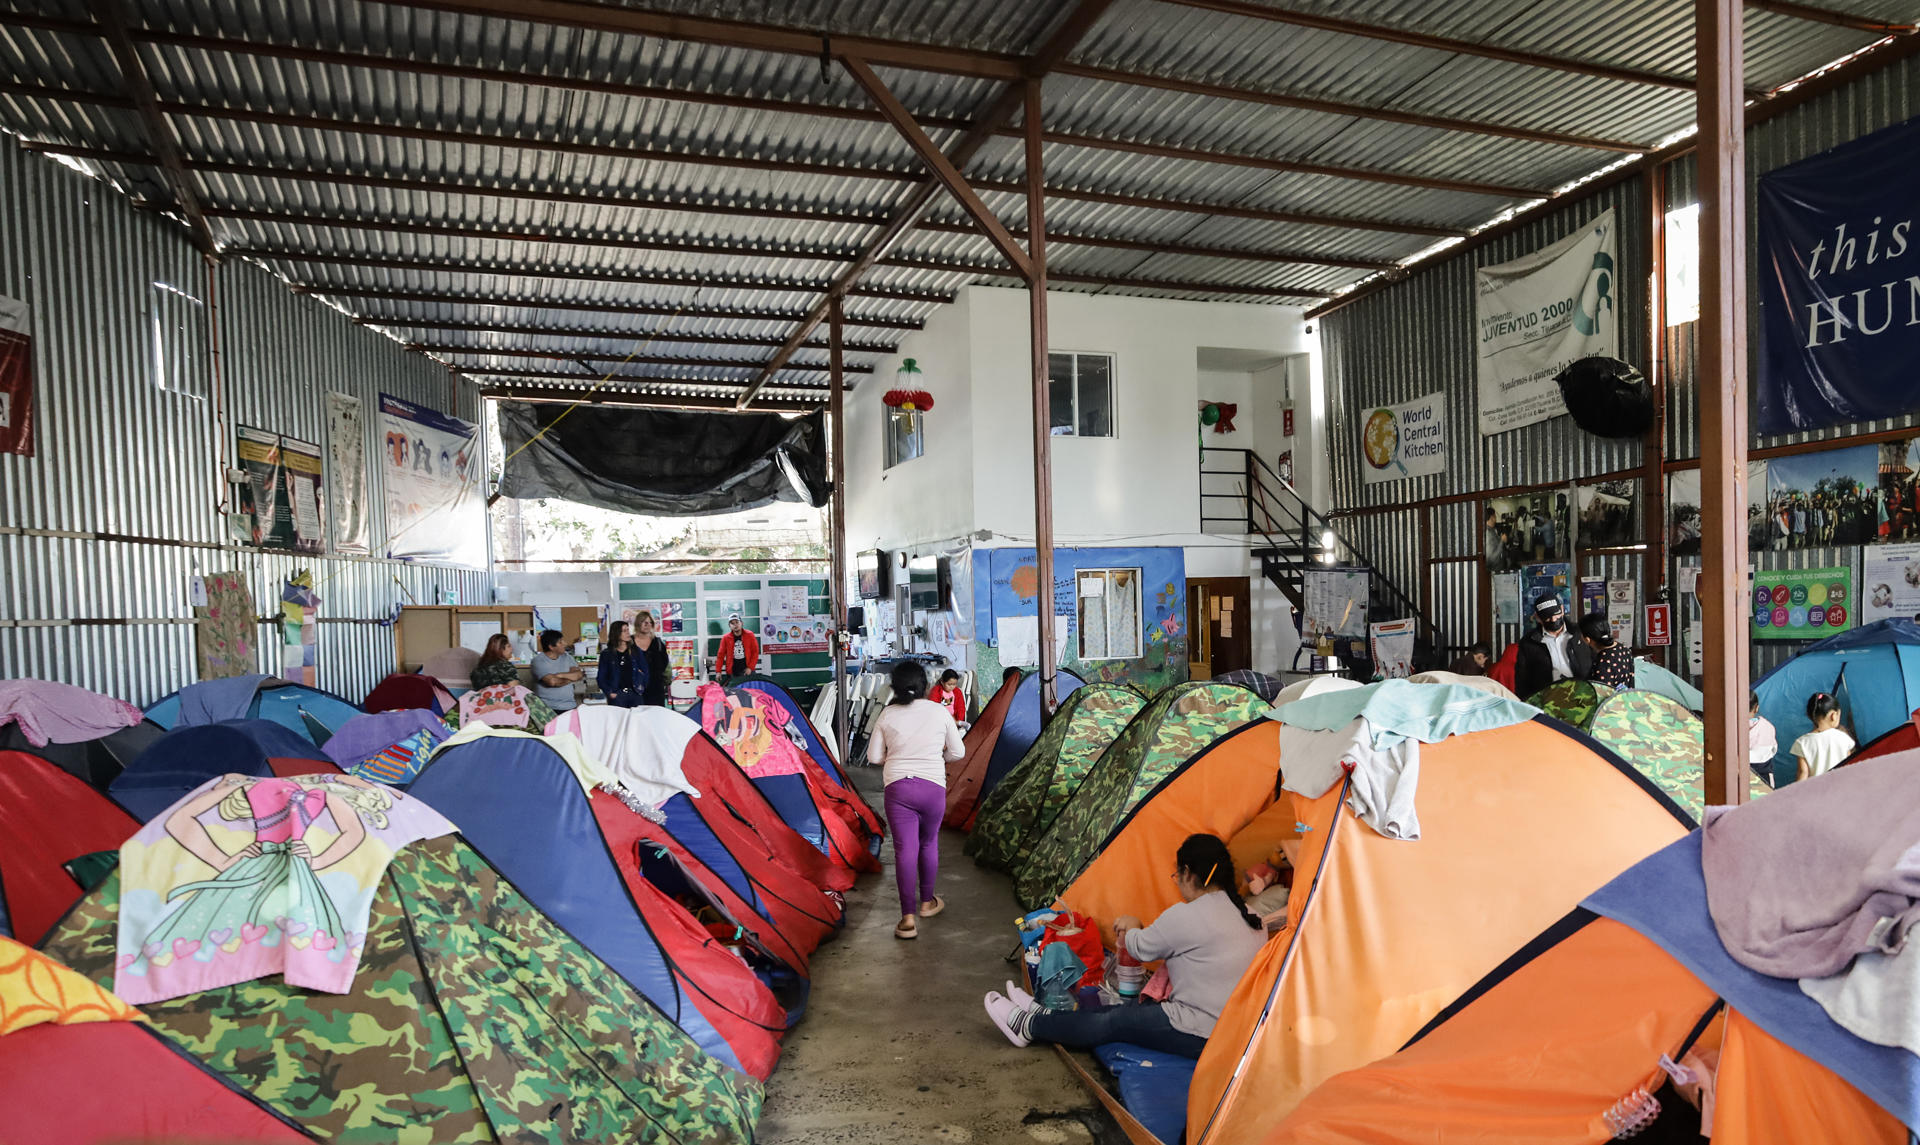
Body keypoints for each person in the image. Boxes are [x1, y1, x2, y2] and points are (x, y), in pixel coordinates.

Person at [983, 833, 1267, 1059]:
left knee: (1115, 1022)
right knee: (1119, 1014)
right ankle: (1047, 1015)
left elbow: (1141, 948)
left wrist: (1132, 924)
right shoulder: (1254, 917)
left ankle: (1029, 1027)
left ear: (1188, 873)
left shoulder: (1189, 914)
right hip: (1235, 1034)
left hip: (1199, 1032)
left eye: (1176, 876)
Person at [866, 661, 965, 940]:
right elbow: (958, 751)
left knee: (904, 850)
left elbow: (874, 758)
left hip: (898, 789)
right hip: (933, 786)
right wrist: (936, 758)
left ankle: (907, 919)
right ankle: (927, 903)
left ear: (894, 686)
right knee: (929, 843)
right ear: (925, 685)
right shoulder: (938, 711)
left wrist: (895, 759)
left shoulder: (887, 714)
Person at [1514, 596, 1592, 700]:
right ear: (1538, 618)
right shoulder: (1529, 642)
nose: (1554, 619)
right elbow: (1522, 678)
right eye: (1547, 617)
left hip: (1583, 694)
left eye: (1556, 614)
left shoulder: (1580, 633)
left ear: (1563, 610)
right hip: (1549, 699)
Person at [1791, 692, 1854, 782]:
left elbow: (1803, 773)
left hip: (1816, 792)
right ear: (1833, 715)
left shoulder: (1802, 742)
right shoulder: (1844, 738)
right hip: (1840, 789)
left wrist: (1795, 793)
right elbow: (1849, 766)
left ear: (1810, 715)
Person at [530, 629, 583, 713]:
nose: (565, 644)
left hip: (569, 706)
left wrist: (560, 675)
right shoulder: (538, 661)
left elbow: (579, 675)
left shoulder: (568, 657)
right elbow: (553, 682)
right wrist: (571, 677)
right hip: (547, 708)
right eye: (560, 642)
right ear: (551, 647)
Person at [597, 620, 645, 708]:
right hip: (617, 694)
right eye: (624, 631)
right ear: (616, 633)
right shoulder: (607, 654)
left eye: (628, 630)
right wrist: (609, 692)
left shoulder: (635, 651)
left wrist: (642, 686)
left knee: (636, 720)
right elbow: (601, 677)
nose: (628, 633)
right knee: (619, 720)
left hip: (635, 693)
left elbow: (645, 671)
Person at [1579, 614, 1634, 690]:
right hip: (1627, 700)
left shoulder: (1603, 661)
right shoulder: (1624, 649)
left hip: (1613, 701)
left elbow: (1602, 694)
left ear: (1587, 639)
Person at [632, 610, 672, 707]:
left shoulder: (657, 643)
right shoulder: (629, 643)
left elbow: (666, 665)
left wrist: (667, 681)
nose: (648, 625)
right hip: (634, 689)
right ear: (638, 623)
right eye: (645, 622)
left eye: (650, 623)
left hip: (656, 688)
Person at [715, 614, 760, 683]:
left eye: (737, 622)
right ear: (729, 626)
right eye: (732, 623)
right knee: (734, 692)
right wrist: (718, 671)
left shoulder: (750, 635)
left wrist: (750, 668)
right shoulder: (725, 638)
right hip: (733, 672)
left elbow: (755, 652)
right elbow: (720, 656)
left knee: (751, 691)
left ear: (741, 623)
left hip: (748, 670)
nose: (735, 625)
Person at [1748, 690, 1778, 783]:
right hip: (1764, 778)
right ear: (1757, 708)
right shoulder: (1768, 727)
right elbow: (1773, 750)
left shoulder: (1729, 728)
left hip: (1738, 776)